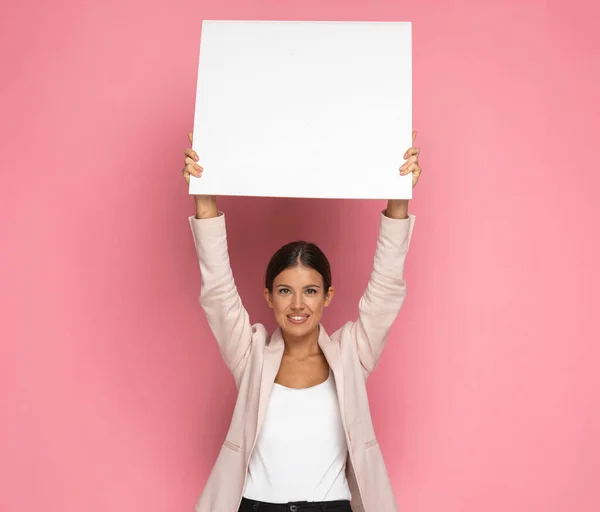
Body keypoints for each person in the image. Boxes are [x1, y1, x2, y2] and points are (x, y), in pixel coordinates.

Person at [182, 131, 421, 512]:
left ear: (327, 296)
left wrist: (397, 196)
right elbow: (219, 292)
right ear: (268, 297)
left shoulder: (351, 355)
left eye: (310, 291)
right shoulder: (251, 354)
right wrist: (204, 194)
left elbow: (385, 291)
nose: (297, 304)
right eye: (284, 291)